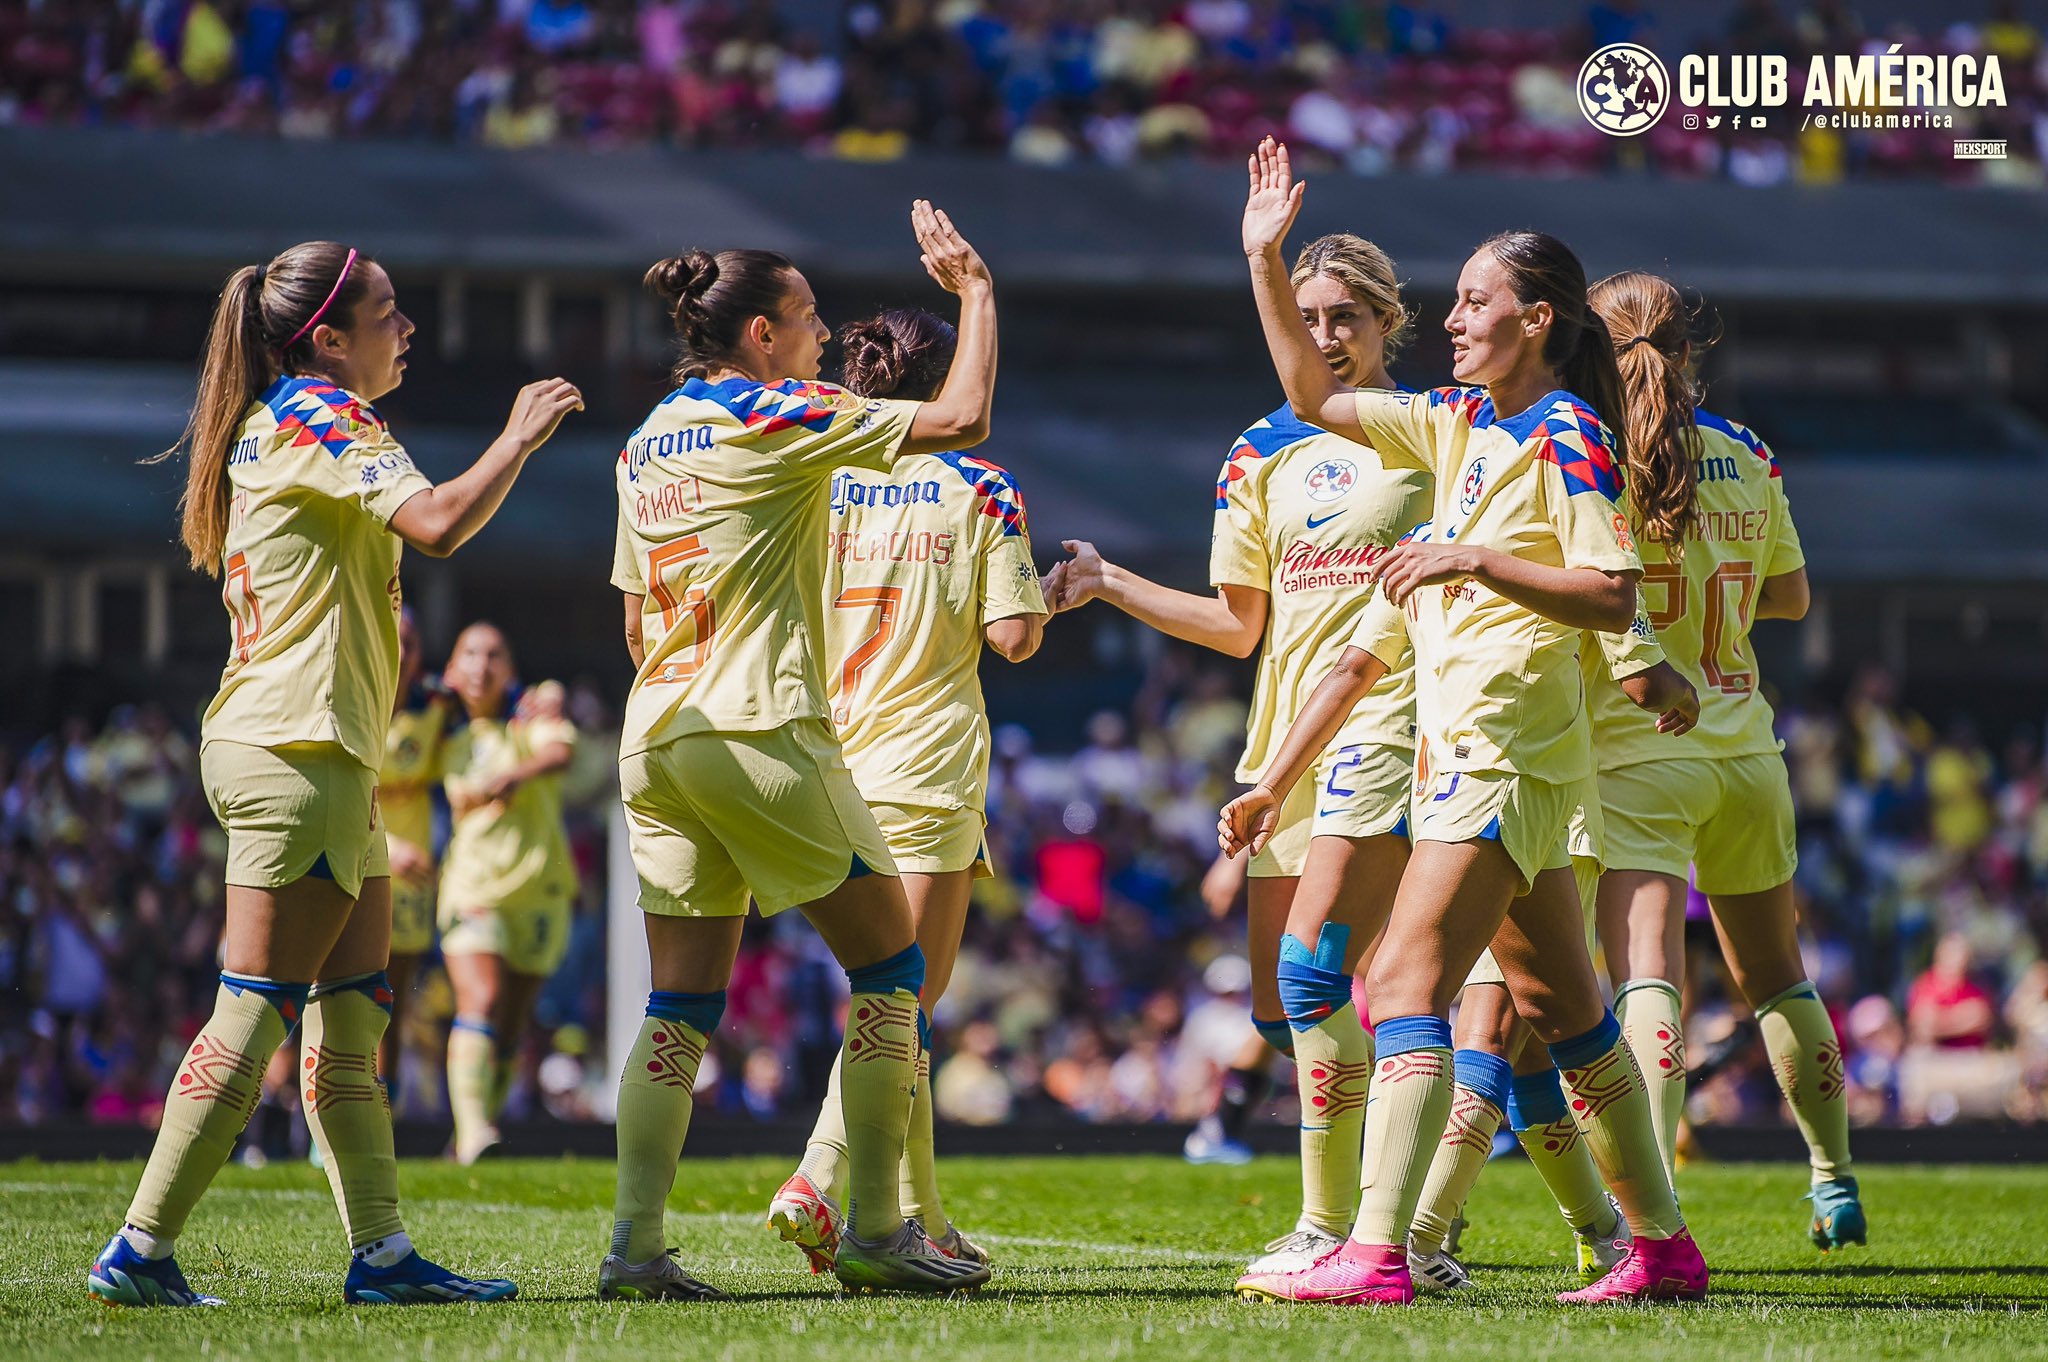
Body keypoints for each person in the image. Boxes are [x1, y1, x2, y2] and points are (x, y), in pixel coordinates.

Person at [1222, 138, 1707, 1306]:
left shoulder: (1561, 434)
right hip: (1492, 755)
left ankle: (1376, 1253)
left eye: (1475, 301)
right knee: (1569, 1015)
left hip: (1499, 752)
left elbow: (1606, 590)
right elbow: (1308, 397)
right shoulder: (1457, 422)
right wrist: (1262, 259)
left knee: (1399, 981)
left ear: (1534, 318)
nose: (1449, 318)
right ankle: (1660, 1249)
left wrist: (1472, 557)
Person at [89, 239, 581, 1307]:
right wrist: (518, 438)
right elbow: (438, 523)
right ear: (329, 338)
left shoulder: (289, 421)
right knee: (255, 1006)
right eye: (391, 311)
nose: (408, 329)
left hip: (319, 750)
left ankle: (384, 1255)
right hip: (295, 748)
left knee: (354, 1010)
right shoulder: (324, 416)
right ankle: (137, 1249)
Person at [600, 202, 999, 1301]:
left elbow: (636, 622)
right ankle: (875, 1228)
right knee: (892, 973)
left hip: (656, 734)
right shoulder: (775, 412)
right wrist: (975, 293)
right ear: (764, 335)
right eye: (810, 318)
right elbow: (959, 419)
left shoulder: (646, 439)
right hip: (757, 724)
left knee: (677, 1007)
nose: (825, 337)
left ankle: (633, 1248)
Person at [1051, 231, 1431, 1278]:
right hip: (1283, 750)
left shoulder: (1432, 431)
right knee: (1280, 1009)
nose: (1324, 337)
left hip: (1392, 728)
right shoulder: (1256, 451)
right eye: (1306, 319)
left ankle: (1363, 1227)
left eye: (1343, 318)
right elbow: (1234, 624)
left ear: (1387, 321)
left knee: (1361, 987)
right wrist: (1112, 582)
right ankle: (1401, 1211)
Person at [1585, 270, 1864, 1249]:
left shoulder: (1590, 456)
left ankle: (1648, 1217)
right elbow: (1786, 598)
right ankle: (1831, 1181)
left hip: (1638, 748)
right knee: (1777, 978)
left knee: (1645, 980)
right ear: (1686, 347)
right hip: (1746, 745)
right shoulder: (1746, 450)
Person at [772, 306, 1049, 1274]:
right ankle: (815, 1176)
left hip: (823, 760)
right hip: (924, 765)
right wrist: (1052, 592)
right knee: (903, 1005)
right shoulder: (978, 484)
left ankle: (921, 1218)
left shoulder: (816, 475)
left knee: (895, 1011)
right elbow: (1012, 636)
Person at [437, 622, 579, 1164]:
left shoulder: (529, 719)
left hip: (539, 891)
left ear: (510, 669)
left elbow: (561, 754)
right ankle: (475, 1133)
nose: (481, 664)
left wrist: (512, 775)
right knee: (483, 1000)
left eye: (494, 654)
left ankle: (470, 1135)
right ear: (451, 668)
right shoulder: (438, 727)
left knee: (513, 1021)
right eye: (469, 652)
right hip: (473, 886)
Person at [378, 607, 451, 1114]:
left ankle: (380, 1110)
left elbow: (495, 698)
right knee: (335, 997)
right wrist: (385, 847)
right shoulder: (350, 699)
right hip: (357, 865)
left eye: (410, 642)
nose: (400, 652)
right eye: (392, 637)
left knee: (391, 1004)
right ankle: (296, 1115)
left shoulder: (435, 707)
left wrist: (537, 698)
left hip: (410, 885)